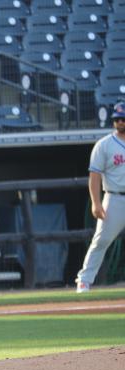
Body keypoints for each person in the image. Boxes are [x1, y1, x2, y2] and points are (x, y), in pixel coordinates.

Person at [75, 102, 125, 293]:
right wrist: (96, 202)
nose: (120, 121)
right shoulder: (104, 145)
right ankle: (84, 281)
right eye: (117, 119)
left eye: (123, 118)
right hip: (114, 198)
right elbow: (94, 176)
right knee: (101, 241)